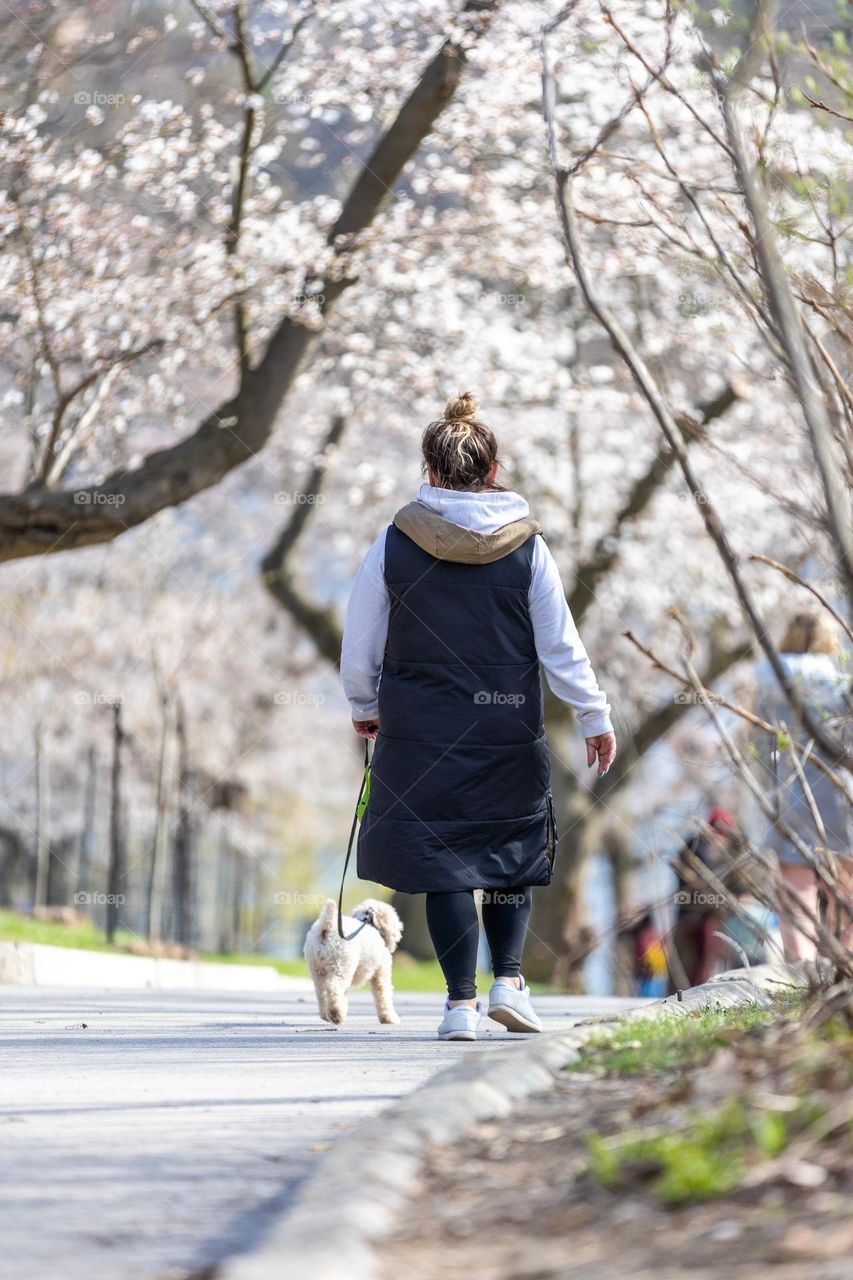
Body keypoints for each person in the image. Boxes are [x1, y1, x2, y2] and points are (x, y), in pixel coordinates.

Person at [340, 392, 616, 1040]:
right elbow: (560, 647)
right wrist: (592, 716)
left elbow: (360, 644)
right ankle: (509, 982)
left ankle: (459, 1004)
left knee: (442, 861)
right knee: (509, 851)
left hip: (418, 729)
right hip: (504, 728)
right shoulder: (527, 549)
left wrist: (363, 707)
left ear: (429, 472)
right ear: (493, 471)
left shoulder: (393, 544)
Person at [753, 610, 852, 960]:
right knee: (845, 886)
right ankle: (844, 964)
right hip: (840, 794)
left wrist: (772, 792)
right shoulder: (840, 688)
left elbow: (763, 749)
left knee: (796, 890)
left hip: (789, 793)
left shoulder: (768, 688)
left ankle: (802, 966)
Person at [669, 808, 738, 989]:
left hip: (708, 917)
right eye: (718, 834)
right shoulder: (694, 849)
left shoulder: (719, 855)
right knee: (691, 964)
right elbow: (695, 884)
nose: (720, 840)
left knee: (706, 963)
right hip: (691, 917)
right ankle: (684, 997)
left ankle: (698, 995)